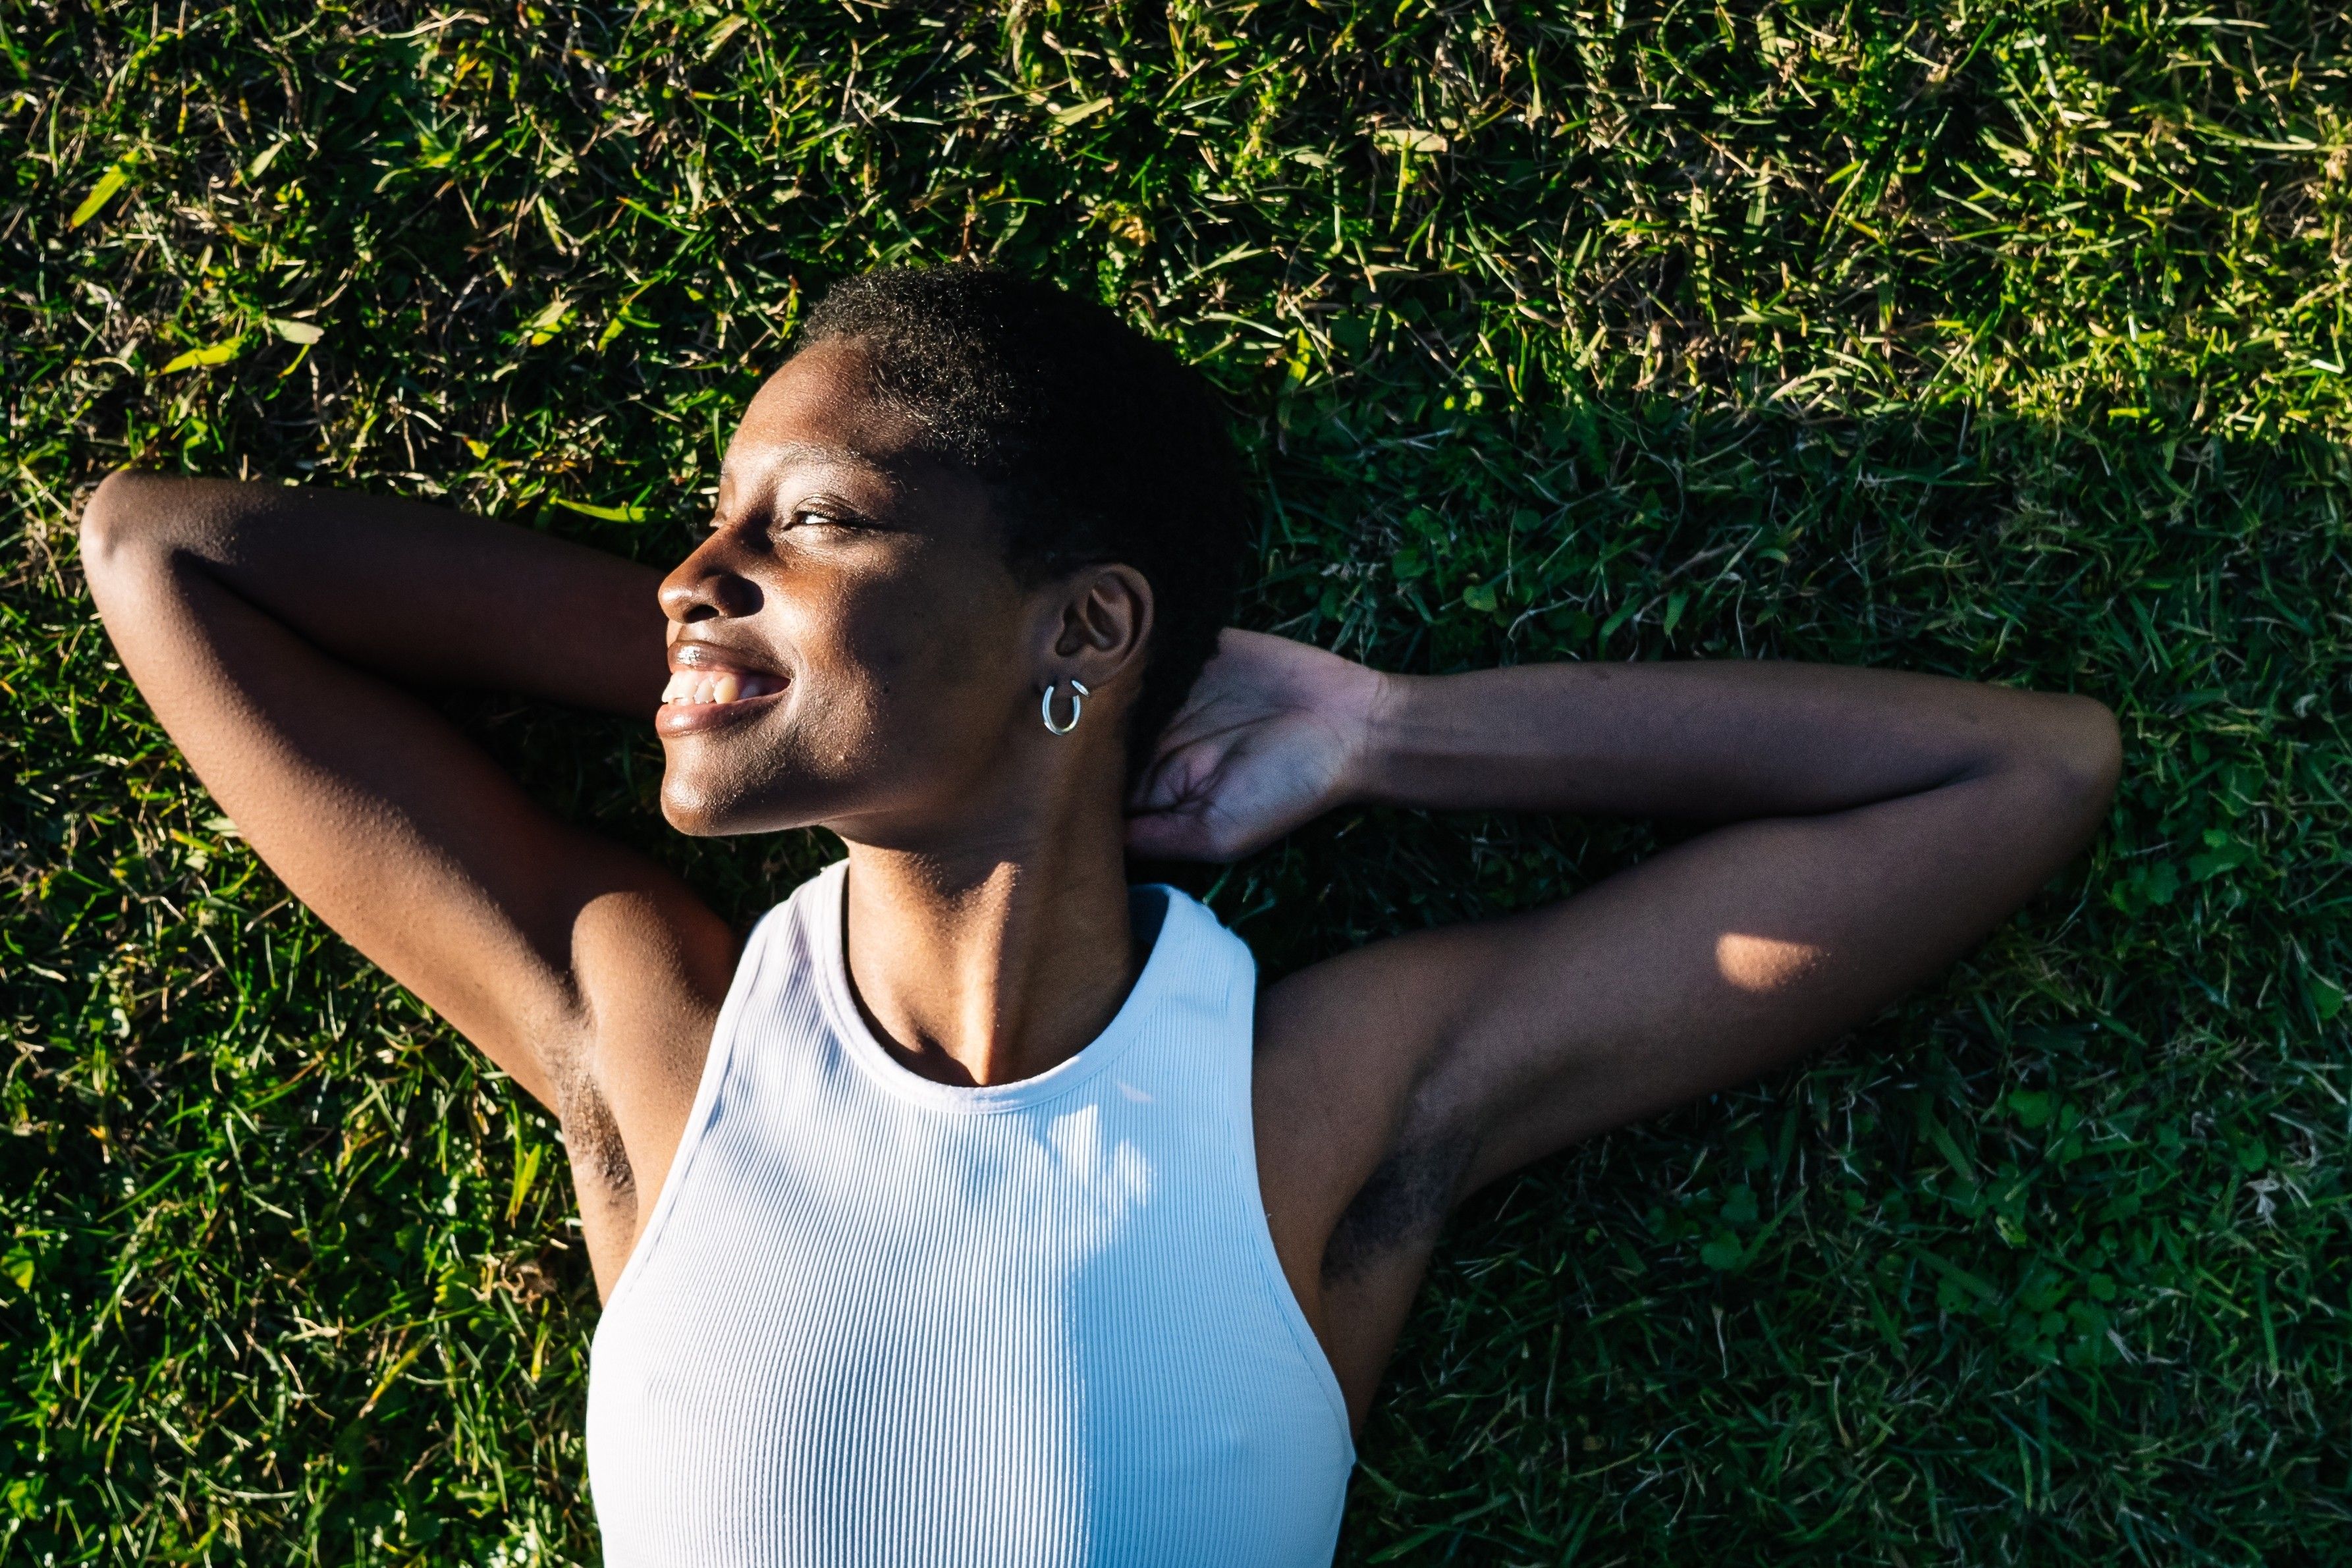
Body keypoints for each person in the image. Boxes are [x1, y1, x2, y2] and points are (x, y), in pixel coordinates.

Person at [78, 267, 2120, 1567]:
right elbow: (162, 552)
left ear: (1085, 624)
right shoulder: (657, 1045)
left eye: (808, 519)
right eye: (710, 527)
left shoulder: (1312, 1102)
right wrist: (734, 666)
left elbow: (2013, 774)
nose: (692, 568)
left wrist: (1392, 738)